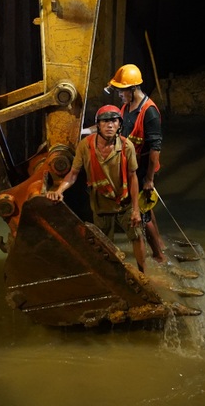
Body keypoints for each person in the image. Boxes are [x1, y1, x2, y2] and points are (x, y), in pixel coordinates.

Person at [46, 105, 146, 273]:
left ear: (119, 125)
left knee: (137, 236)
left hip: (124, 200)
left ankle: (143, 273)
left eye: (114, 121)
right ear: (98, 125)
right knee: (104, 243)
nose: (109, 125)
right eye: (105, 121)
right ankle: (111, 275)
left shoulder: (126, 146)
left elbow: (133, 177)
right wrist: (59, 191)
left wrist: (136, 209)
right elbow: (73, 174)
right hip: (101, 201)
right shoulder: (86, 146)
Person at [108, 63, 166, 263]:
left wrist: (149, 180)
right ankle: (160, 243)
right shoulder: (127, 107)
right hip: (134, 167)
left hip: (144, 170)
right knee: (146, 207)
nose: (119, 95)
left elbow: (155, 148)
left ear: (132, 89)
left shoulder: (149, 111)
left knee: (141, 213)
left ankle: (159, 256)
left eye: (121, 91)